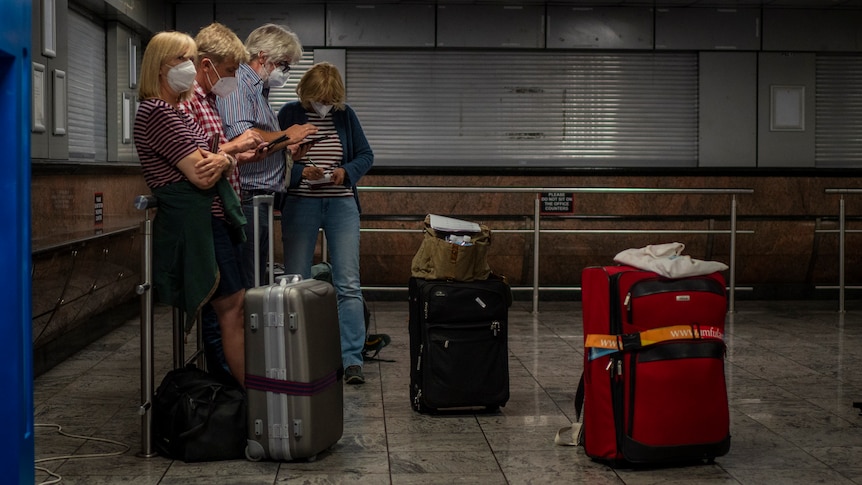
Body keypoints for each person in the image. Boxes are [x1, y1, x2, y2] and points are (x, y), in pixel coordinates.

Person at [133, 31, 248, 386]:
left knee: (235, 309)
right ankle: (252, 401)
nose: (189, 67)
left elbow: (212, 158)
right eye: (180, 61)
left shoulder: (175, 112)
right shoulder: (157, 113)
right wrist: (223, 161)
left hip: (211, 221)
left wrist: (221, 161)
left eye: (191, 59)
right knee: (231, 312)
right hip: (198, 226)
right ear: (158, 67)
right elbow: (201, 173)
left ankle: (250, 398)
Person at [178, 22, 267, 377]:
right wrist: (235, 147)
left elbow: (218, 154)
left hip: (223, 214)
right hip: (207, 216)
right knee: (228, 308)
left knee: (231, 306)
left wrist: (244, 155)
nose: (232, 78)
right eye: (230, 70)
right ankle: (231, 392)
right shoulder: (187, 104)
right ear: (206, 65)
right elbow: (199, 158)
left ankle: (230, 389)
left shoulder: (213, 101)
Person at [277, 62, 374, 384]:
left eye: (330, 98)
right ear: (305, 92)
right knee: (296, 281)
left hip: (340, 204)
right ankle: (300, 353)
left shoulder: (345, 115)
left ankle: (351, 359)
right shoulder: (289, 114)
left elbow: (365, 155)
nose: (324, 103)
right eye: (318, 97)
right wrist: (298, 172)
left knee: (348, 282)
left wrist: (346, 172)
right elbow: (272, 157)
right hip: (301, 203)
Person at [217, 23, 318, 288]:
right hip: (247, 197)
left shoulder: (259, 91)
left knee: (257, 282)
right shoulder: (239, 84)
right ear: (263, 57)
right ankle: (244, 331)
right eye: (283, 65)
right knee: (248, 284)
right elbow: (244, 139)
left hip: (261, 198)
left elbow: (261, 142)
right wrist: (287, 135)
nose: (284, 73)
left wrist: (288, 149)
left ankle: (252, 331)